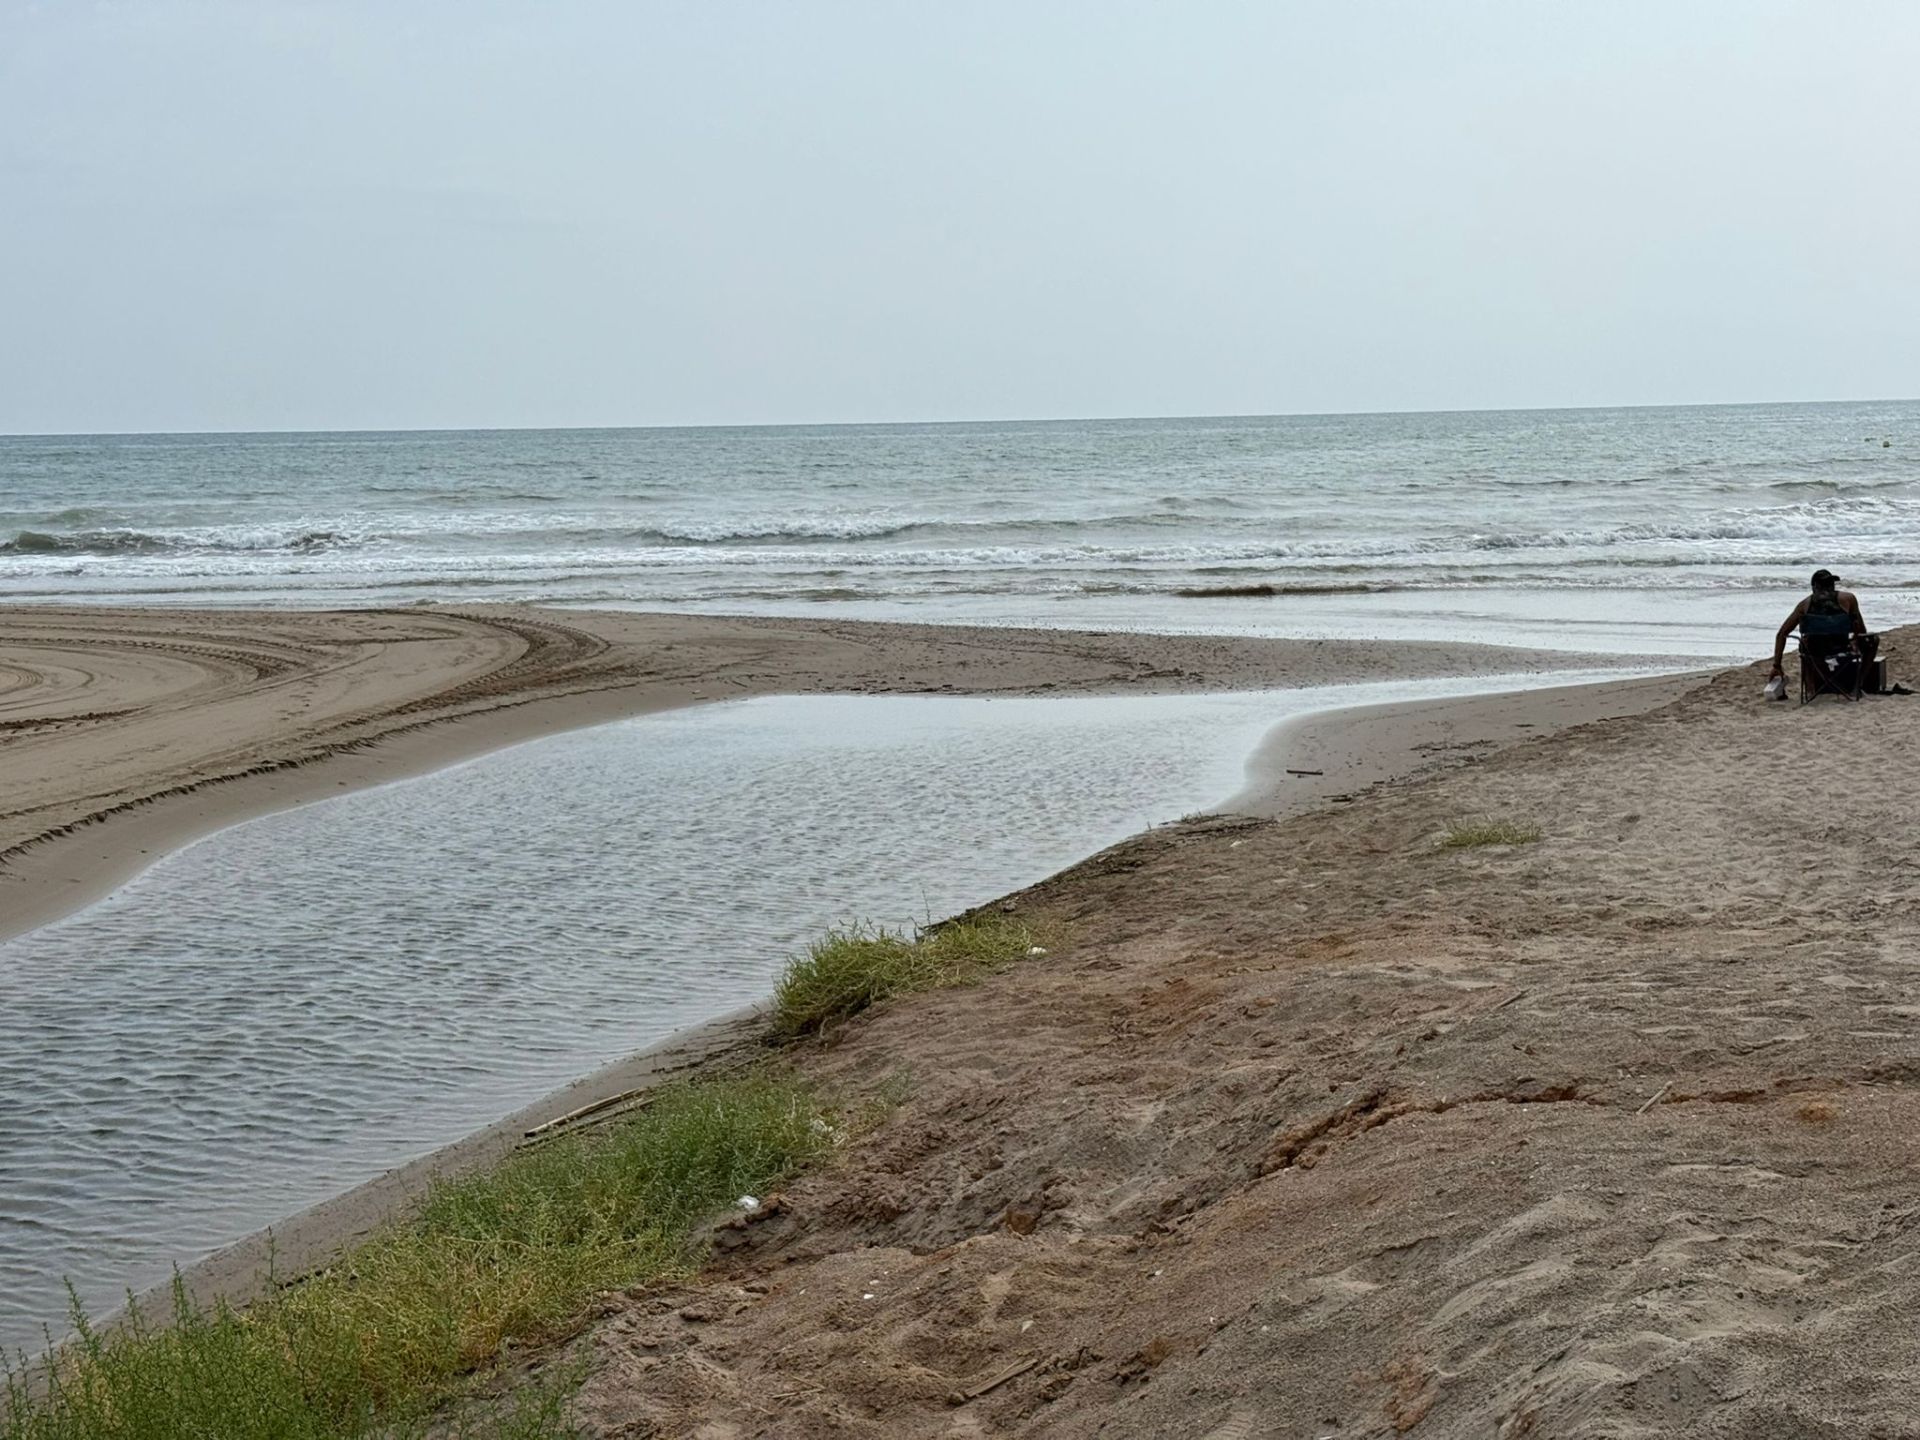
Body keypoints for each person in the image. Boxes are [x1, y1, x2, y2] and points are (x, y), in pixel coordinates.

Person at [1770, 568, 1869, 684]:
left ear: (1814, 587)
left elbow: (1782, 633)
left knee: (1805, 644)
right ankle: (1859, 683)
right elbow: (1861, 629)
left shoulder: (1804, 605)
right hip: (1843, 648)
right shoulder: (1847, 599)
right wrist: (1855, 639)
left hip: (1814, 652)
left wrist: (1777, 665)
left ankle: (1811, 689)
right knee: (1872, 640)